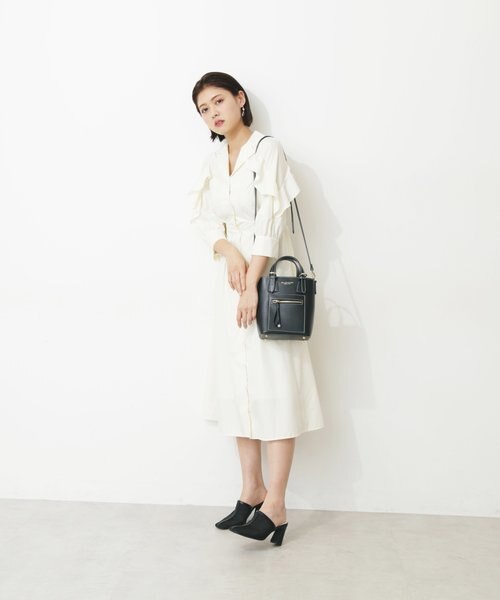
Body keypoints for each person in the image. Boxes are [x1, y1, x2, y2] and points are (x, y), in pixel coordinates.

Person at [189, 72, 324, 545]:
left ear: (240, 99)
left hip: (264, 282)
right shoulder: (212, 160)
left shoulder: (268, 150)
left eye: (218, 101)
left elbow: (272, 219)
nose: (213, 112)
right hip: (230, 281)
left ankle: (277, 503)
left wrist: (253, 281)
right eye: (204, 109)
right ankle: (252, 489)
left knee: (275, 387)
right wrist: (228, 252)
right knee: (237, 387)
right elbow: (201, 217)